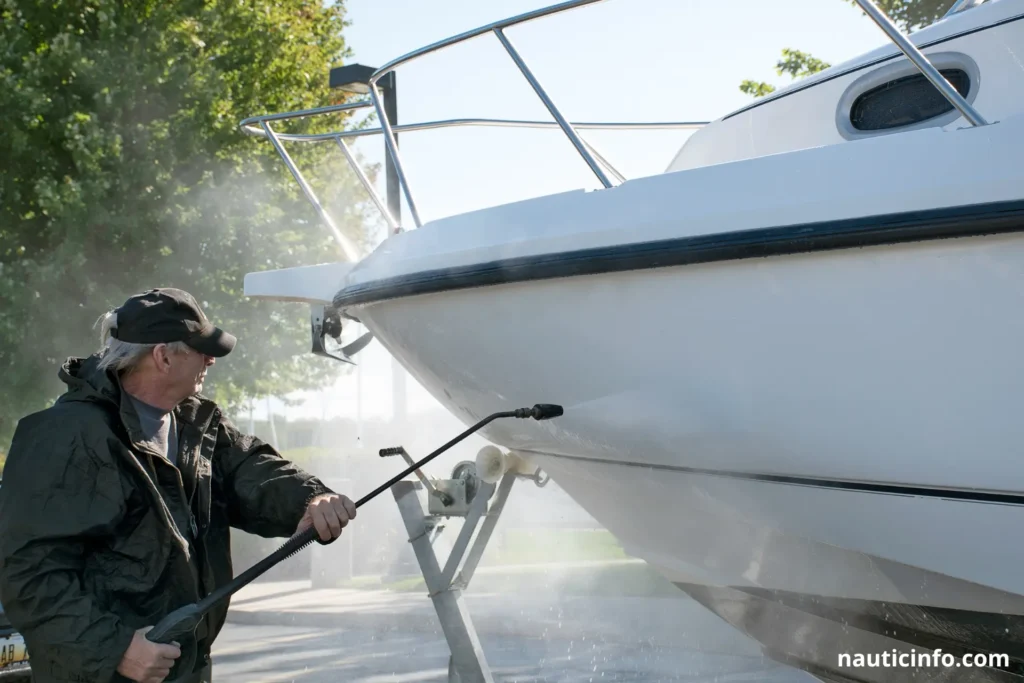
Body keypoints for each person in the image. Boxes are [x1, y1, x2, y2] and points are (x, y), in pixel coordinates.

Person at [0, 288, 357, 683]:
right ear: (164, 356)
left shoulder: (196, 423)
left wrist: (310, 498)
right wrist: (116, 649)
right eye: (201, 350)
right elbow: (27, 573)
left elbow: (250, 469)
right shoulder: (64, 436)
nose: (211, 360)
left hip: (186, 670)